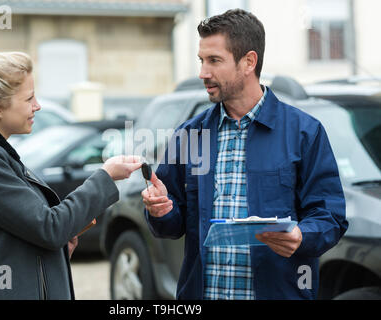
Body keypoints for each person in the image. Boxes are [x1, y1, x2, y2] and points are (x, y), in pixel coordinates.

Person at [141, 9, 348, 300]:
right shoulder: (190, 135)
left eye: (214, 60)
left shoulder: (304, 132)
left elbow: (330, 217)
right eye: (202, 61)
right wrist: (161, 210)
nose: (203, 73)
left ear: (248, 61)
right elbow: (171, 225)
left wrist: (302, 236)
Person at [0, 45, 142, 300]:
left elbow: (24, 233)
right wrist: (106, 176)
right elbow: (50, 227)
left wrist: (53, 253)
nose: (37, 106)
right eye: (28, 99)